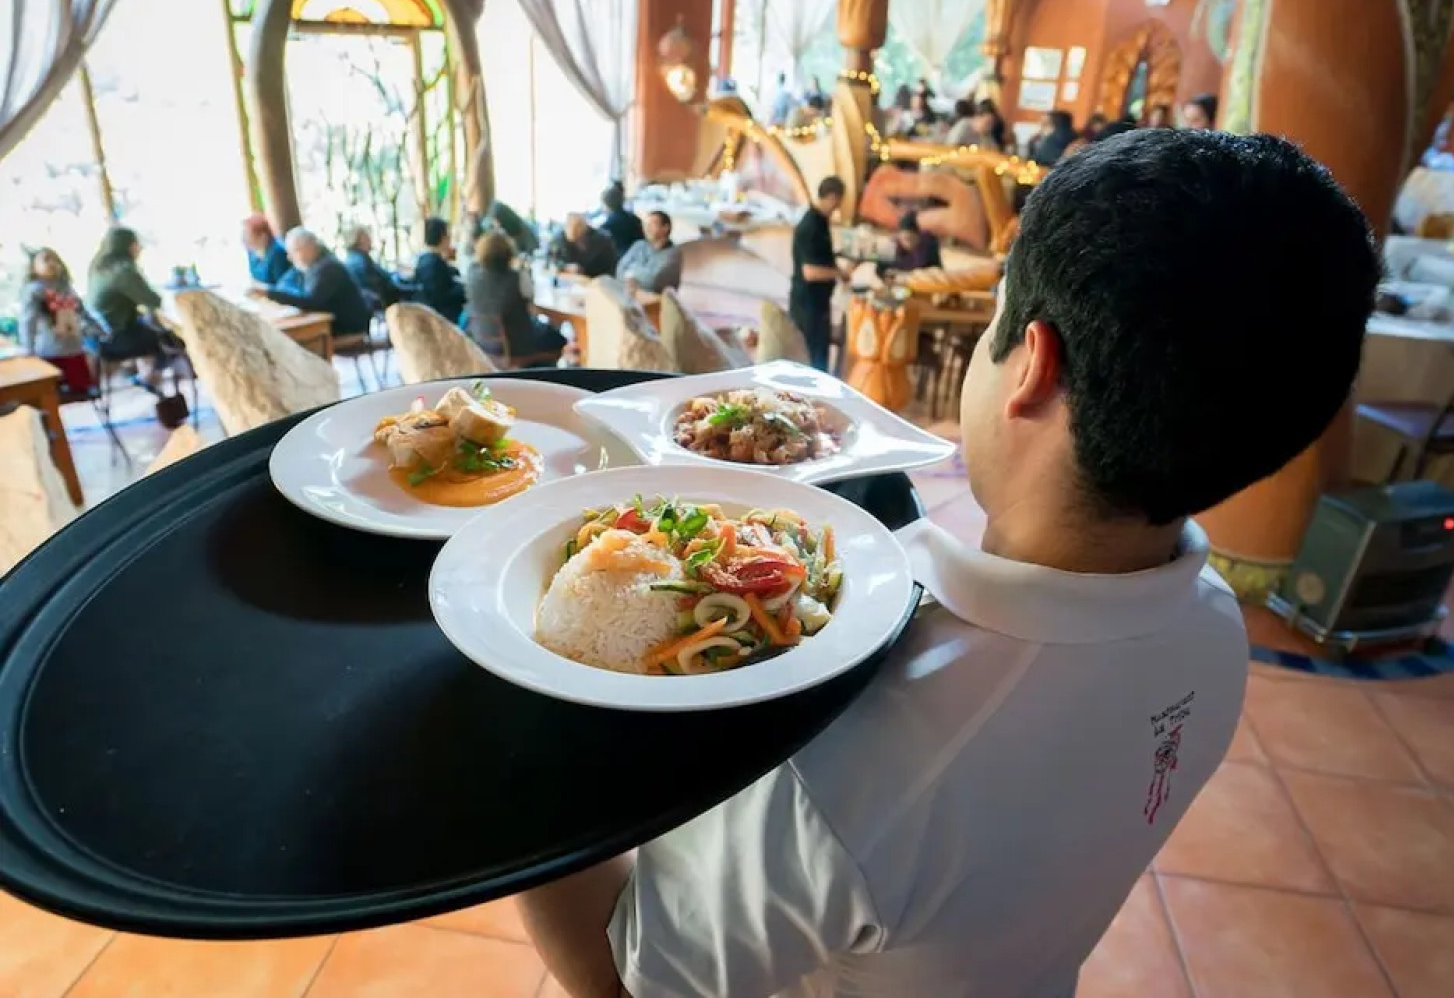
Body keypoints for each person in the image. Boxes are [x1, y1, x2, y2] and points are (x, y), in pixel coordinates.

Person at [511, 130, 1383, 998]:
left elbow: (620, 981)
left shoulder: (844, 767)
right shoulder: (1217, 632)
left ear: (1031, 366)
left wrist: (516, 701)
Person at [87, 226, 172, 390]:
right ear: (130, 246)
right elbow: (153, 300)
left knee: (148, 327)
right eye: (137, 244)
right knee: (170, 339)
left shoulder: (99, 267)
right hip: (116, 339)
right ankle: (152, 378)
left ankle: (144, 373)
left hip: (97, 337)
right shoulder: (123, 270)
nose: (140, 248)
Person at [463, 230, 566, 361]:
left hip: (482, 344)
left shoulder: (471, 274)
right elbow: (531, 299)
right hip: (517, 347)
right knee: (558, 338)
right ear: (509, 253)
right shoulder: (517, 278)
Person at [786, 175, 850, 372]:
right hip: (808, 306)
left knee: (818, 356)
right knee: (810, 362)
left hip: (818, 304)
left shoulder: (822, 221)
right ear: (831, 197)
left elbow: (819, 257)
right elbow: (810, 272)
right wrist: (840, 273)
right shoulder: (810, 226)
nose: (838, 206)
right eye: (838, 201)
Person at [267, 228, 372, 337]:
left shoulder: (328, 268)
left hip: (347, 329)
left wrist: (269, 293)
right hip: (333, 325)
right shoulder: (311, 265)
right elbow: (284, 283)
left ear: (309, 248)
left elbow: (309, 302)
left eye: (294, 251)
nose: (289, 258)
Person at [20, 247, 99, 393]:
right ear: (33, 267)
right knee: (51, 394)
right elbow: (28, 321)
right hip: (48, 351)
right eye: (45, 259)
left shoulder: (67, 289)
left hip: (73, 350)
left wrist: (98, 330)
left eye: (55, 259)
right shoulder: (34, 291)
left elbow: (82, 313)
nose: (51, 263)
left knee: (82, 390)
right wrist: (28, 349)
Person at [412, 217, 466, 323]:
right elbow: (443, 295)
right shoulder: (435, 264)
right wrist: (466, 288)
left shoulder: (424, 259)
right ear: (442, 237)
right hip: (444, 318)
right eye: (448, 235)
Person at [614, 210, 683, 293]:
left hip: (652, 301)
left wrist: (631, 272)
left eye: (651, 225)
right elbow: (620, 268)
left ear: (665, 228)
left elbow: (654, 281)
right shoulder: (639, 245)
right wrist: (631, 277)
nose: (647, 228)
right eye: (645, 225)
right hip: (626, 293)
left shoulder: (674, 254)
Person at [342, 225, 407, 309]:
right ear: (360, 240)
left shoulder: (357, 258)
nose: (370, 240)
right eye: (367, 237)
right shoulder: (361, 262)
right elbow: (384, 284)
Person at [551, 213, 618, 277]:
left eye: (580, 238)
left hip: (598, 279)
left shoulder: (603, 240)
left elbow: (611, 267)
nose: (578, 242)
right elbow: (552, 259)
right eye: (575, 241)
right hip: (571, 281)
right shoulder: (559, 240)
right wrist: (565, 267)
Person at [241, 214, 295, 291]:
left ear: (263, 236)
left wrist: (260, 289)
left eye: (247, 234)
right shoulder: (252, 251)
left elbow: (283, 288)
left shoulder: (278, 253)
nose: (243, 239)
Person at [598, 183, 645, 257]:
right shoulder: (635, 219)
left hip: (619, 261)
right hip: (639, 257)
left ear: (605, 205)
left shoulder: (606, 227)